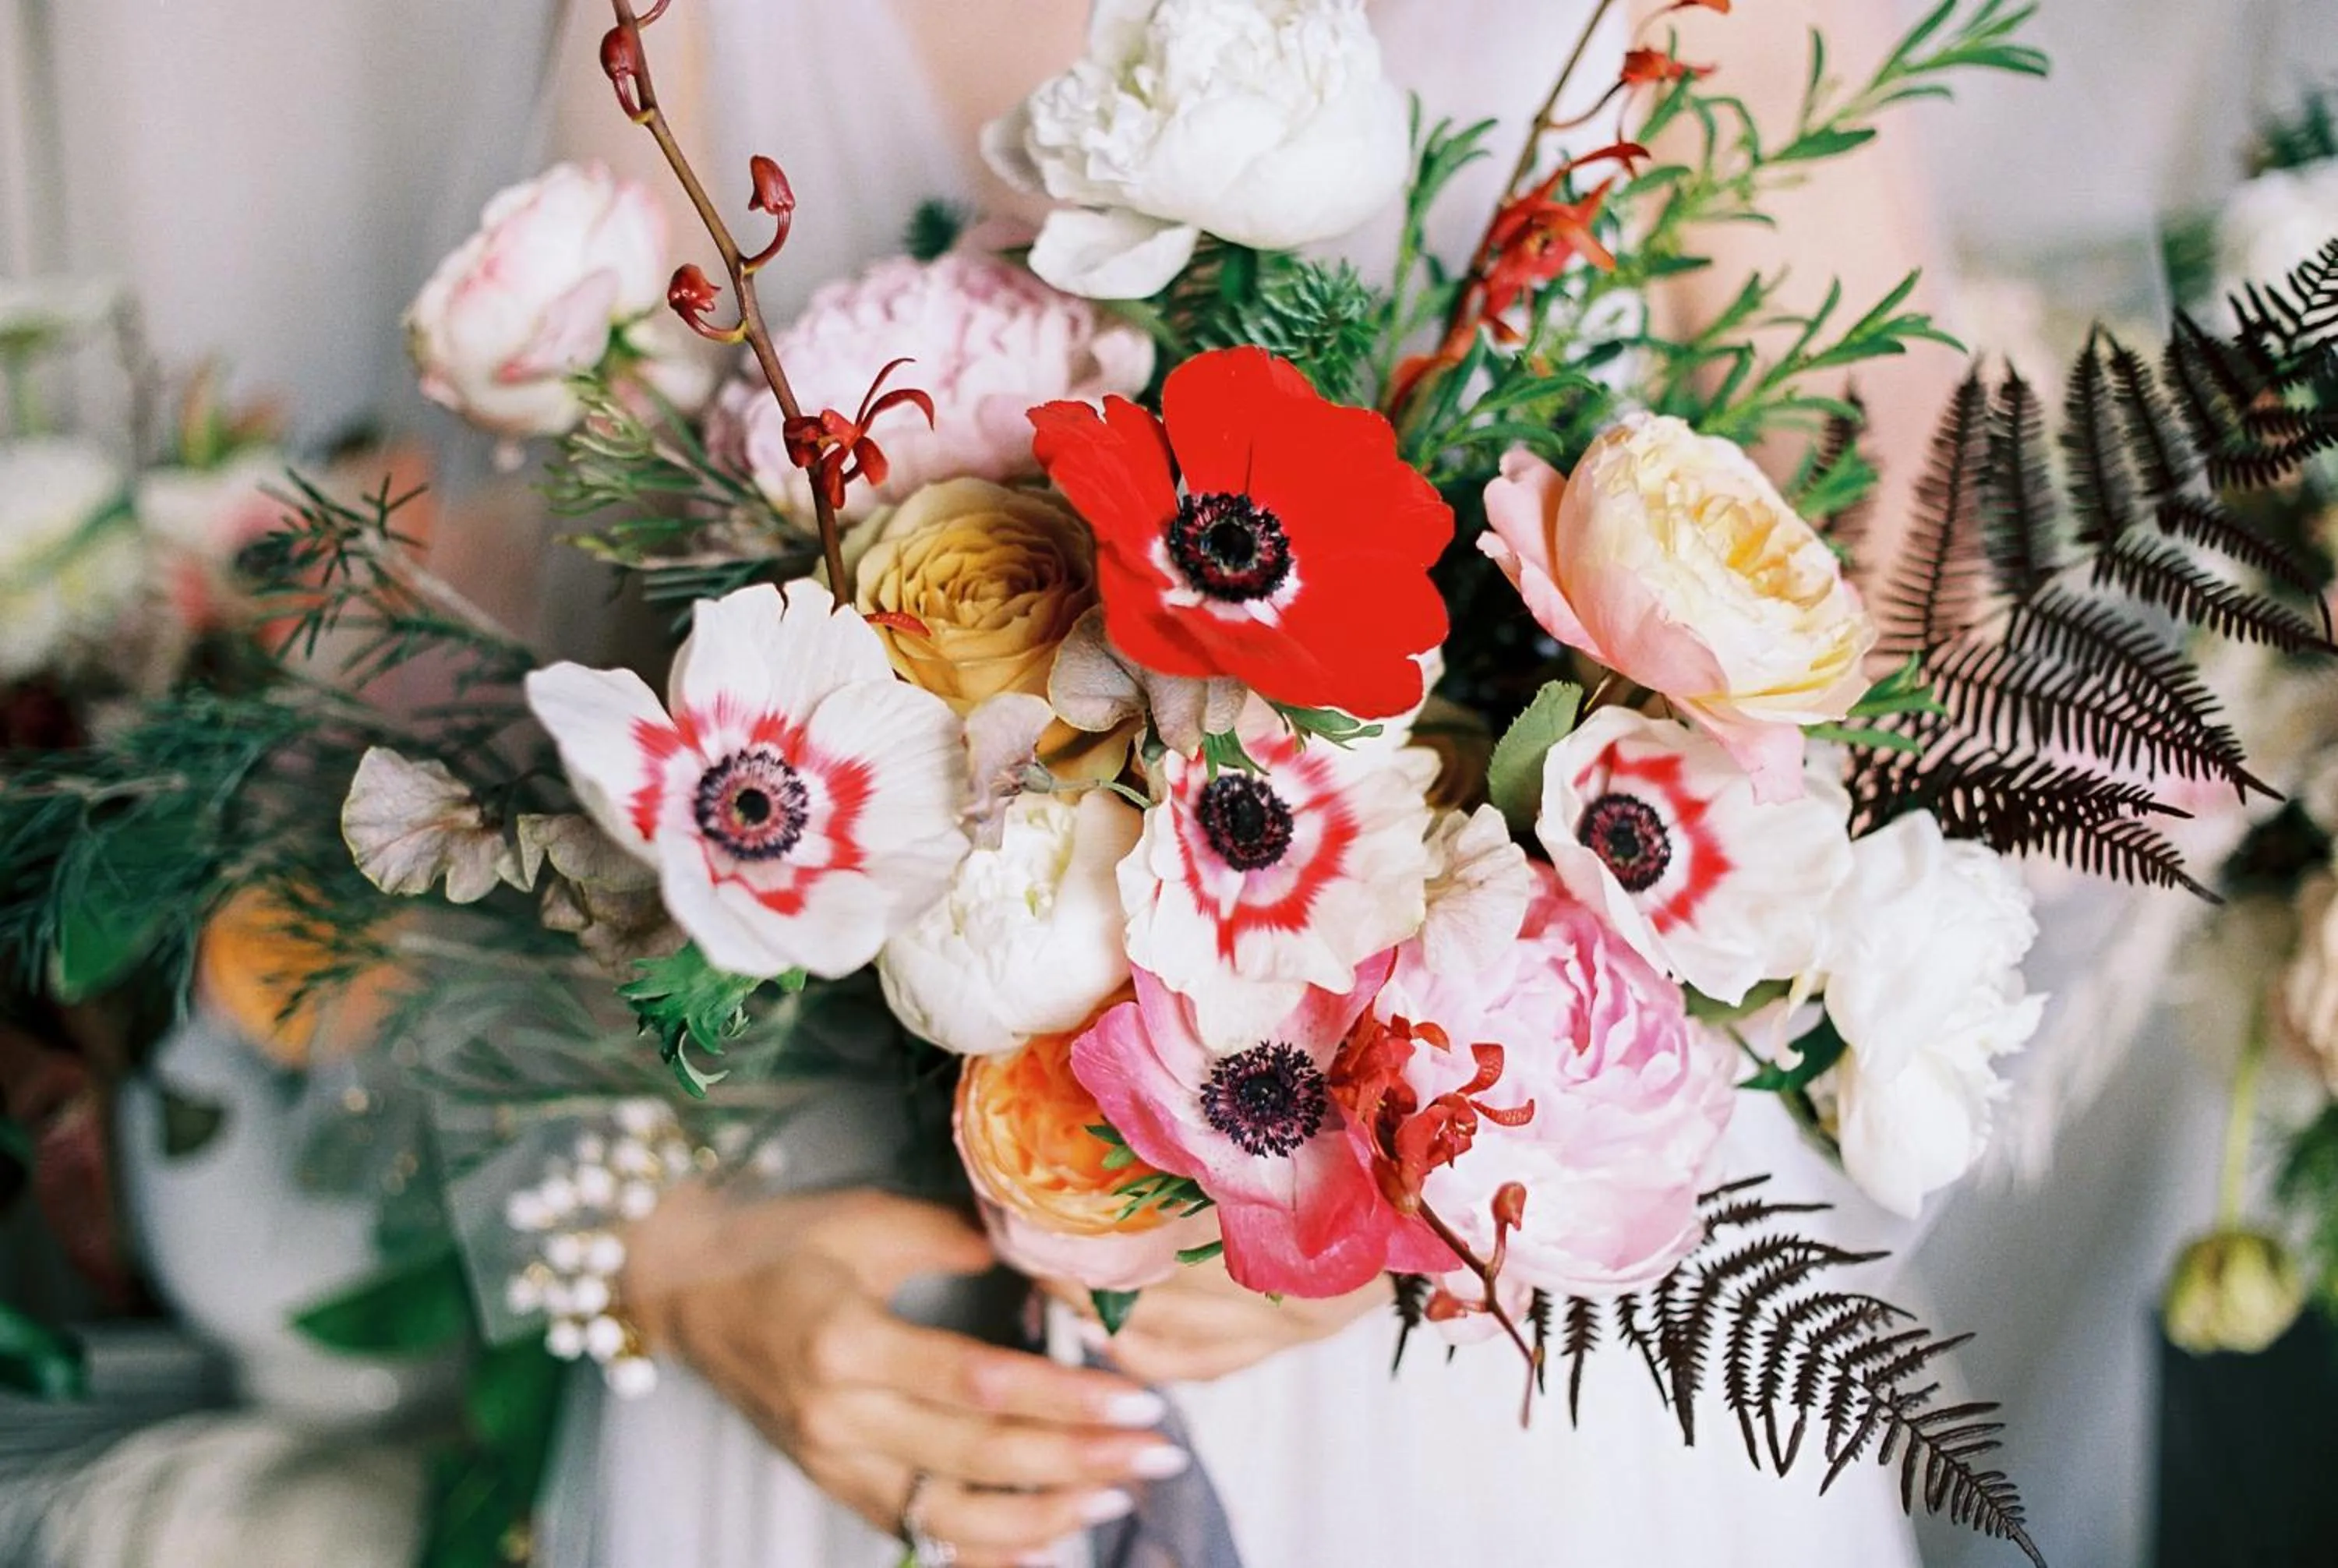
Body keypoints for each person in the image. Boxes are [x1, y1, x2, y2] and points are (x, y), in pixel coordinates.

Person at [551, 2, 1965, 1565]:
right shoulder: (667, 28)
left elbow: (1895, 728)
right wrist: (672, 1262)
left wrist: (1432, 1184)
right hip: (873, 1360)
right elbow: (546, 752)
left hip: (1488, 1377)